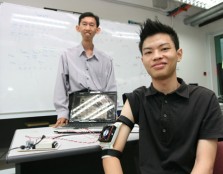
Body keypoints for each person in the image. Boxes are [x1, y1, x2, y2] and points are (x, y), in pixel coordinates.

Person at [101, 19, 223, 174]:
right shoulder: (136, 99)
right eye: (148, 52)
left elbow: (204, 165)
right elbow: (110, 150)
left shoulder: (205, 99)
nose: (156, 56)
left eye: (164, 49)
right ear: (143, 60)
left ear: (179, 54)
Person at [53, 12, 117, 128]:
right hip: (75, 109)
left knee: (101, 142)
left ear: (97, 30)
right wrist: (62, 113)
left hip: (100, 109)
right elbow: (61, 86)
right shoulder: (67, 56)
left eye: (92, 25)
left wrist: (112, 111)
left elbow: (111, 87)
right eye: (84, 24)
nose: (88, 28)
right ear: (78, 28)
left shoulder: (106, 59)